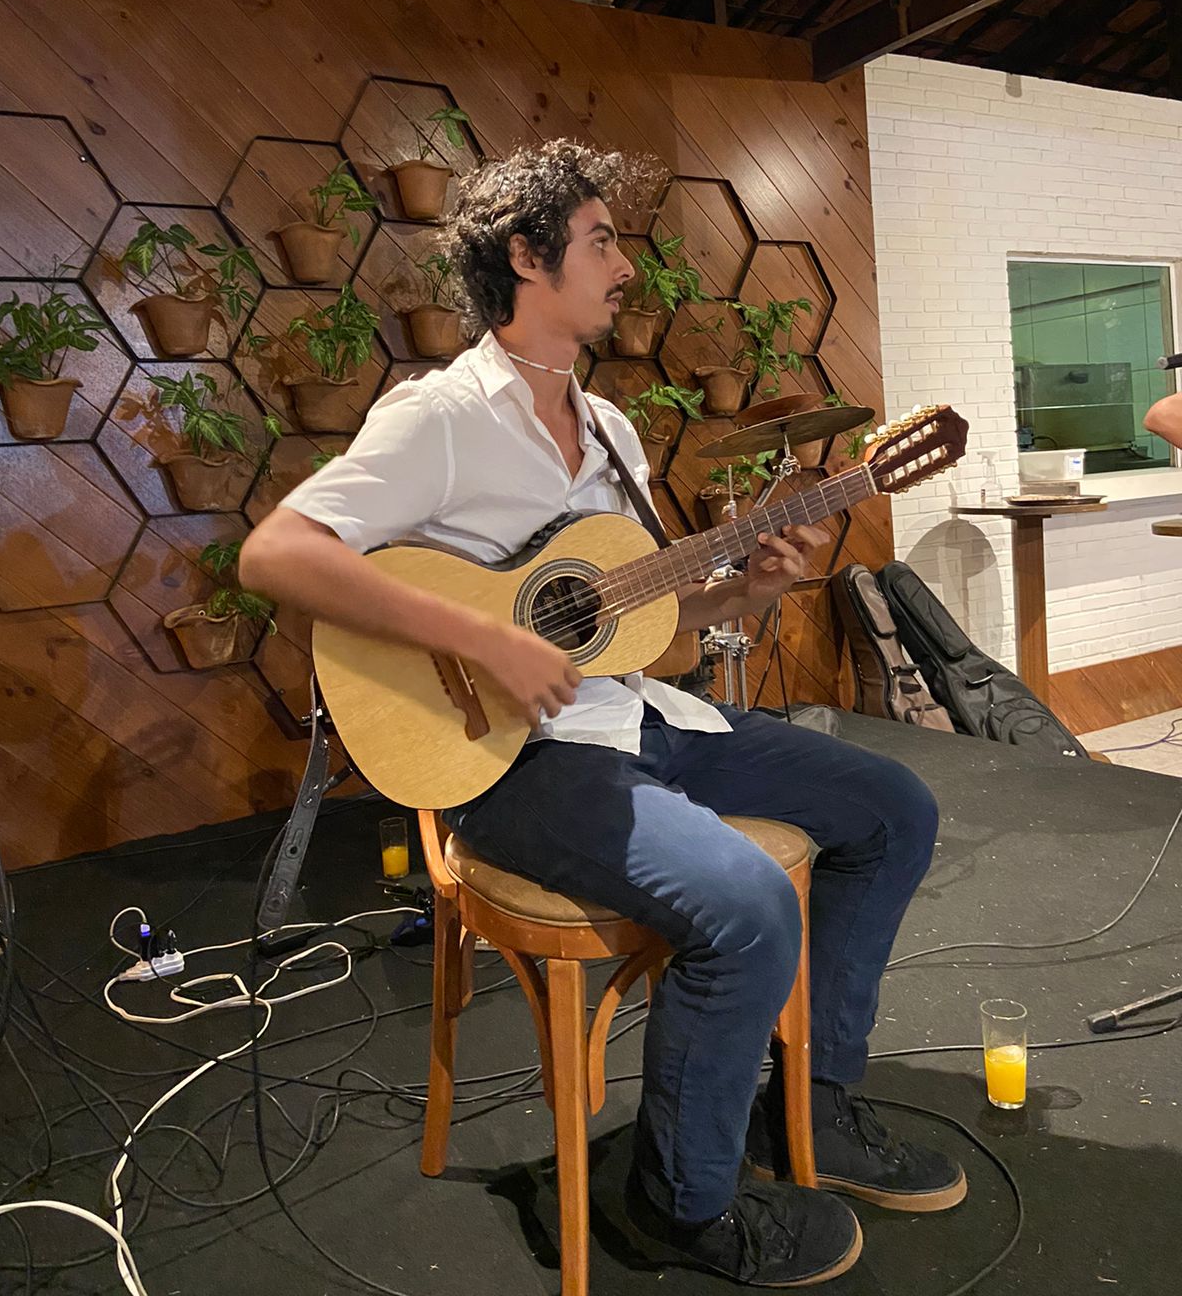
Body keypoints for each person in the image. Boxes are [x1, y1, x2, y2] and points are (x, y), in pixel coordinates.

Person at [240, 141, 963, 1287]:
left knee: (894, 806)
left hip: (632, 717)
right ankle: (681, 1203)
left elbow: (643, 631)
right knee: (743, 905)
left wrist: (747, 588)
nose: (627, 267)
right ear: (527, 258)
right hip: (511, 761)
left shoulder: (615, 434)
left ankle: (810, 1103)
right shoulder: (440, 417)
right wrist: (487, 638)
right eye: (601, 242)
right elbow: (276, 553)